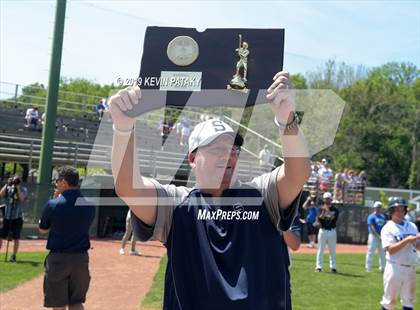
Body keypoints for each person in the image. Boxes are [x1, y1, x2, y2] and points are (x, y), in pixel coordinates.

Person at [109, 70, 310, 309]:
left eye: (233, 150)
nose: (228, 156)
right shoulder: (177, 205)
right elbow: (128, 188)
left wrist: (287, 119)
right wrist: (123, 128)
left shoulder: (261, 195)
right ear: (193, 158)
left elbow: (298, 173)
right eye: (217, 149)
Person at [38, 166, 96, 310]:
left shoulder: (53, 204)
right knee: (76, 302)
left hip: (59, 259)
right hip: (81, 259)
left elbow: (43, 230)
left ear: (64, 182)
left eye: (57, 180)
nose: (56, 183)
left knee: (58, 304)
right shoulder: (89, 205)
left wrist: (55, 200)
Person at [380, 197, 420, 310]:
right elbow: (390, 250)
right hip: (394, 267)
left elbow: (418, 247)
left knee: (409, 301)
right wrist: (407, 240)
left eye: (402, 209)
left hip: (410, 267)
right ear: (391, 211)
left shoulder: (412, 226)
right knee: (389, 301)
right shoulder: (388, 228)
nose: (400, 211)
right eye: (397, 209)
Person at [0, 175, 27, 262]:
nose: (16, 181)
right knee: (1, 236)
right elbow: (1, 194)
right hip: (7, 216)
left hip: (17, 217)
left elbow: (22, 199)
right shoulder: (8, 188)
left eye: (18, 180)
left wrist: (17, 187)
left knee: (16, 237)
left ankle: (13, 256)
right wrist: (7, 184)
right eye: (15, 179)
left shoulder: (23, 189)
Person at [315, 191, 339, 273]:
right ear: (324, 199)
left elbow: (333, 219)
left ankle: (333, 267)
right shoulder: (320, 208)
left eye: (328, 199)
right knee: (320, 249)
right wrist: (324, 211)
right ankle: (318, 266)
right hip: (323, 230)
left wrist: (328, 210)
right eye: (326, 199)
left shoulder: (335, 209)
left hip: (332, 231)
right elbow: (319, 219)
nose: (327, 200)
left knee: (332, 250)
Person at [365, 201, 386, 273]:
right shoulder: (371, 216)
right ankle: (368, 268)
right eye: (377, 207)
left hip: (381, 237)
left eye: (380, 207)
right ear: (374, 208)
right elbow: (372, 227)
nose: (379, 208)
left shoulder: (383, 217)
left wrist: (383, 236)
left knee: (382, 253)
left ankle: (383, 268)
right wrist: (378, 236)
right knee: (371, 252)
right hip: (373, 236)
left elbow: (384, 227)